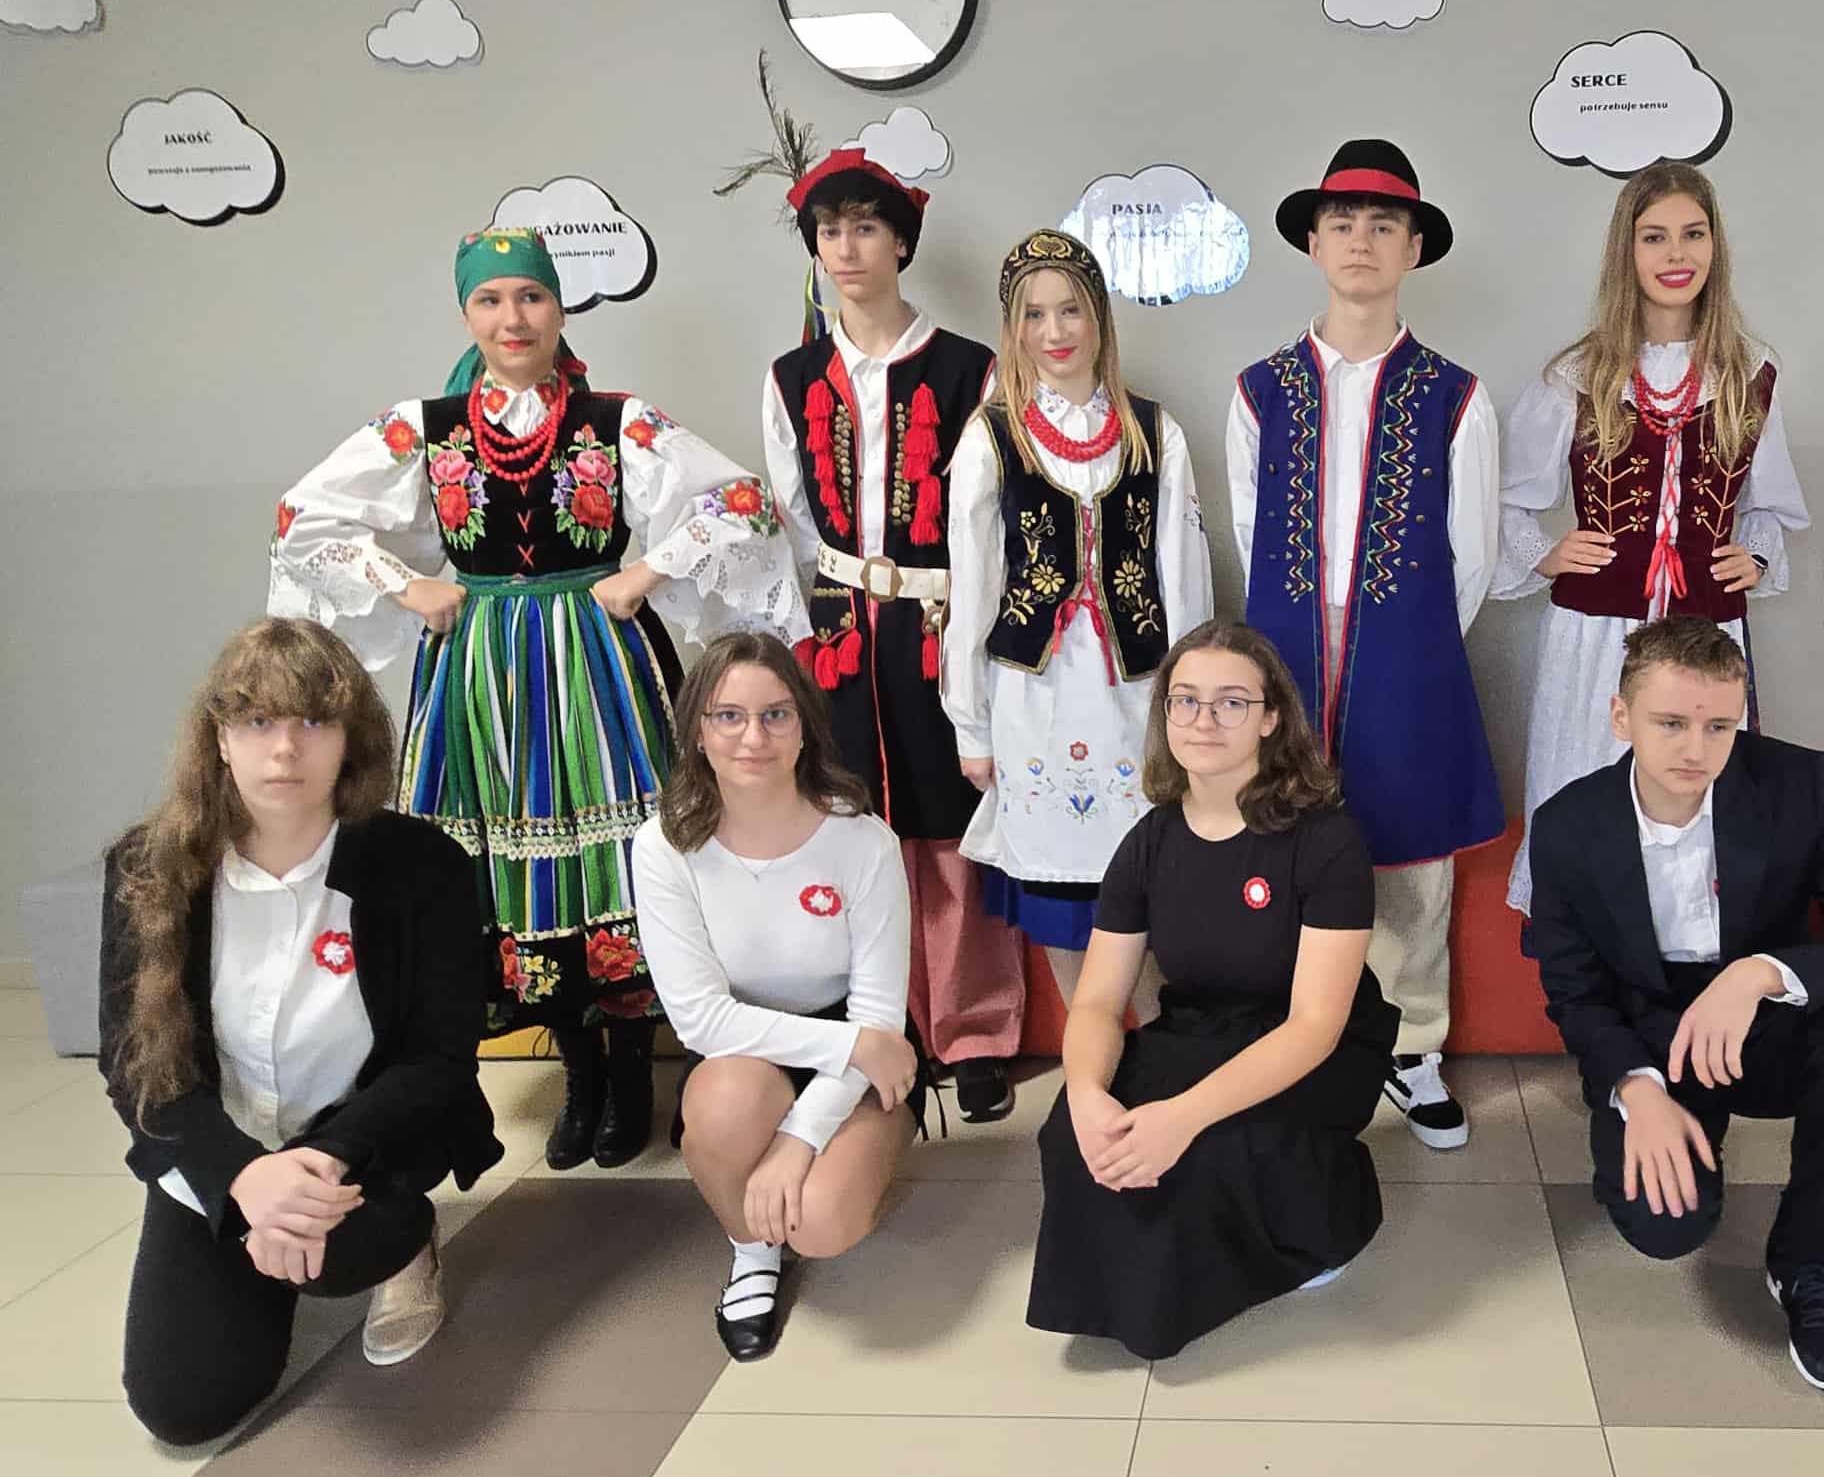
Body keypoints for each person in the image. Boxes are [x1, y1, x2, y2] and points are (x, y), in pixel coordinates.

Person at [271, 227, 804, 1170]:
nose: (512, 317)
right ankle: (577, 1073)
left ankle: (632, 1071)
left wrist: (646, 570)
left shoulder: (615, 419)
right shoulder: (425, 426)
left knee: (629, 859)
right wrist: (405, 583)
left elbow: (741, 504)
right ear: (466, 313)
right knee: (511, 870)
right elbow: (302, 518)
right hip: (483, 675)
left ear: (560, 309)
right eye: (490, 300)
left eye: (530, 296)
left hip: (599, 663)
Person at [99, 619, 504, 1444]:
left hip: (358, 1148)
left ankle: (402, 1245)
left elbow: (438, 1058)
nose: (285, 748)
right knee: (182, 1408)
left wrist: (318, 1163)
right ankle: (268, 1240)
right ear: (219, 738)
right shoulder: (149, 867)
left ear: (351, 739)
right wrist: (244, 1180)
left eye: (314, 720)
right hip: (221, 1153)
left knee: (345, 1252)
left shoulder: (421, 864)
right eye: (257, 721)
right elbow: (134, 1067)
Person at [1527, 616, 1824, 1391]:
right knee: (1664, 1228)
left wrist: (1758, 975)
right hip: (1654, 1040)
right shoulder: (1568, 826)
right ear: (1621, 718)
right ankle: (1666, 1133)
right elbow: (1574, 992)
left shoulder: (1799, 785)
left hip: (1767, 1020)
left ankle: (1808, 1257)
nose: (1696, 749)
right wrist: (1636, 1089)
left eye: (1719, 726)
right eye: (1670, 723)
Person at [1225, 138, 1500, 1151]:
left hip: (1406, 649)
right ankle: (1289, 1036)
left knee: (1411, 862)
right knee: (1282, 845)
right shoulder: (1259, 391)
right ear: (1313, 241)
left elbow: (1472, 557)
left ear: (1414, 247)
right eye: (1342, 222)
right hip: (1290, 651)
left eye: (1384, 224)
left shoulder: (1455, 395)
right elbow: (1251, 532)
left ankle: (1412, 1044)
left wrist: (1404, 644)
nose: (1361, 240)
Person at [1027, 620, 1397, 1361]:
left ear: (1270, 719)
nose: (1203, 720)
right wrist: (1088, 1093)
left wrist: (1183, 1117)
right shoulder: (1148, 841)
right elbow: (1096, 1002)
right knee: (1075, 1131)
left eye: (1231, 702)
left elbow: (1314, 1026)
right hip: (1201, 1025)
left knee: (1211, 1142)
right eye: (1185, 700)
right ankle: (1139, 1289)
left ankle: (1325, 1224)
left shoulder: (1327, 841)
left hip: (1317, 1044)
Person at [760, 148, 1027, 1124]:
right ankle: (880, 1023)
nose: (847, 248)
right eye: (830, 231)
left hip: (938, 620)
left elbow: (992, 515)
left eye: (866, 227)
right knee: (852, 829)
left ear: (902, 242)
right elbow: (791, 522)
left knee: (951, 827)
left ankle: (975, 1027)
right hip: (838, 628)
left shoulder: (969, 368)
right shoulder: (791, 376)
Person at [1493, 160, 1808, 915]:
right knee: (1591, 781)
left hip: (1705, 627)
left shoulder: (1749, 373)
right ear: (1626, 251)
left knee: (1696, 791)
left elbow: (1768, 507)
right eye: (1655, 236)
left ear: (1715, 246)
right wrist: (1544, 553)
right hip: (1597, 631)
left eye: (1693, 235)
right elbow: (1506, 502)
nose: (1676, 254)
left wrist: (1756, 556)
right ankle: (1585, 939)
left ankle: (1687, 948)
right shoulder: (1577, 374)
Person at [631, 631, 926, 1361]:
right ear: (698, 730)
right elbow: (701, 1020)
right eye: (728, 716)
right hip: (745, 1052)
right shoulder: (664, 846)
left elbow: (879, 1019)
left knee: (820, 1224)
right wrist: (854, 1045)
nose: (753, 737)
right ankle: (750, 1252)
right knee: (724, 1105)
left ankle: (817, 1173)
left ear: (804, 727)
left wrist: (800, 1138)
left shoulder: (862, 840)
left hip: (859, 1061)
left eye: (775, 715)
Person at [943, 229, 1211, 1022]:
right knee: (1058, 886)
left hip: (1137, 692)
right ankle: (1088, 1043)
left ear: (1099, 318)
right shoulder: (993, 437)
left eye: (1070, 310)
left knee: (1143, 873)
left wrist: (1193, 705)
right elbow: (973, 590)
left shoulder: (1154, 431)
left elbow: (1185, 580)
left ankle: (1157, 1040)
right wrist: (971, 725)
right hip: (1034, 694)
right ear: (1013, 328)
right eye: (1034, 315)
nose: (1055, 331)